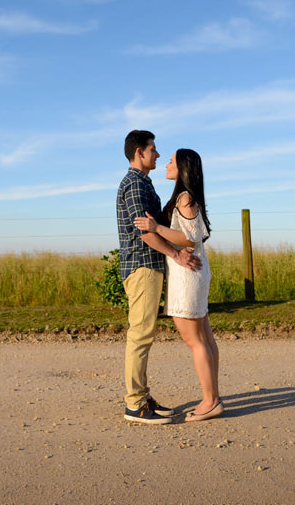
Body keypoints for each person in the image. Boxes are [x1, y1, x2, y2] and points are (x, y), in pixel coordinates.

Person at [116, 129, 201, 425]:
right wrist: (176, 254)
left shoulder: (143, 184)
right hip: (142, 266)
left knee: (144, 333)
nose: (158, 154)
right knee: (140, 334)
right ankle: (135, 404)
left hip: (147, 267)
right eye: (153, 149)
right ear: (140, 152)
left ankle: (142, 396)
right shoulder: (135, 186)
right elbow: (145, 232)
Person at [135, 148, 221, 422]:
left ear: (183, 167)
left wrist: (156, 227)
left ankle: (210, 401)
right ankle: (213, 397)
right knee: (204, 338)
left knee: (195, 340)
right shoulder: (185, 196)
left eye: (171, 161)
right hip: (193, 271)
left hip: (187, 274)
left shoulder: (184, 197)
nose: (166, 164)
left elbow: (190, 238)